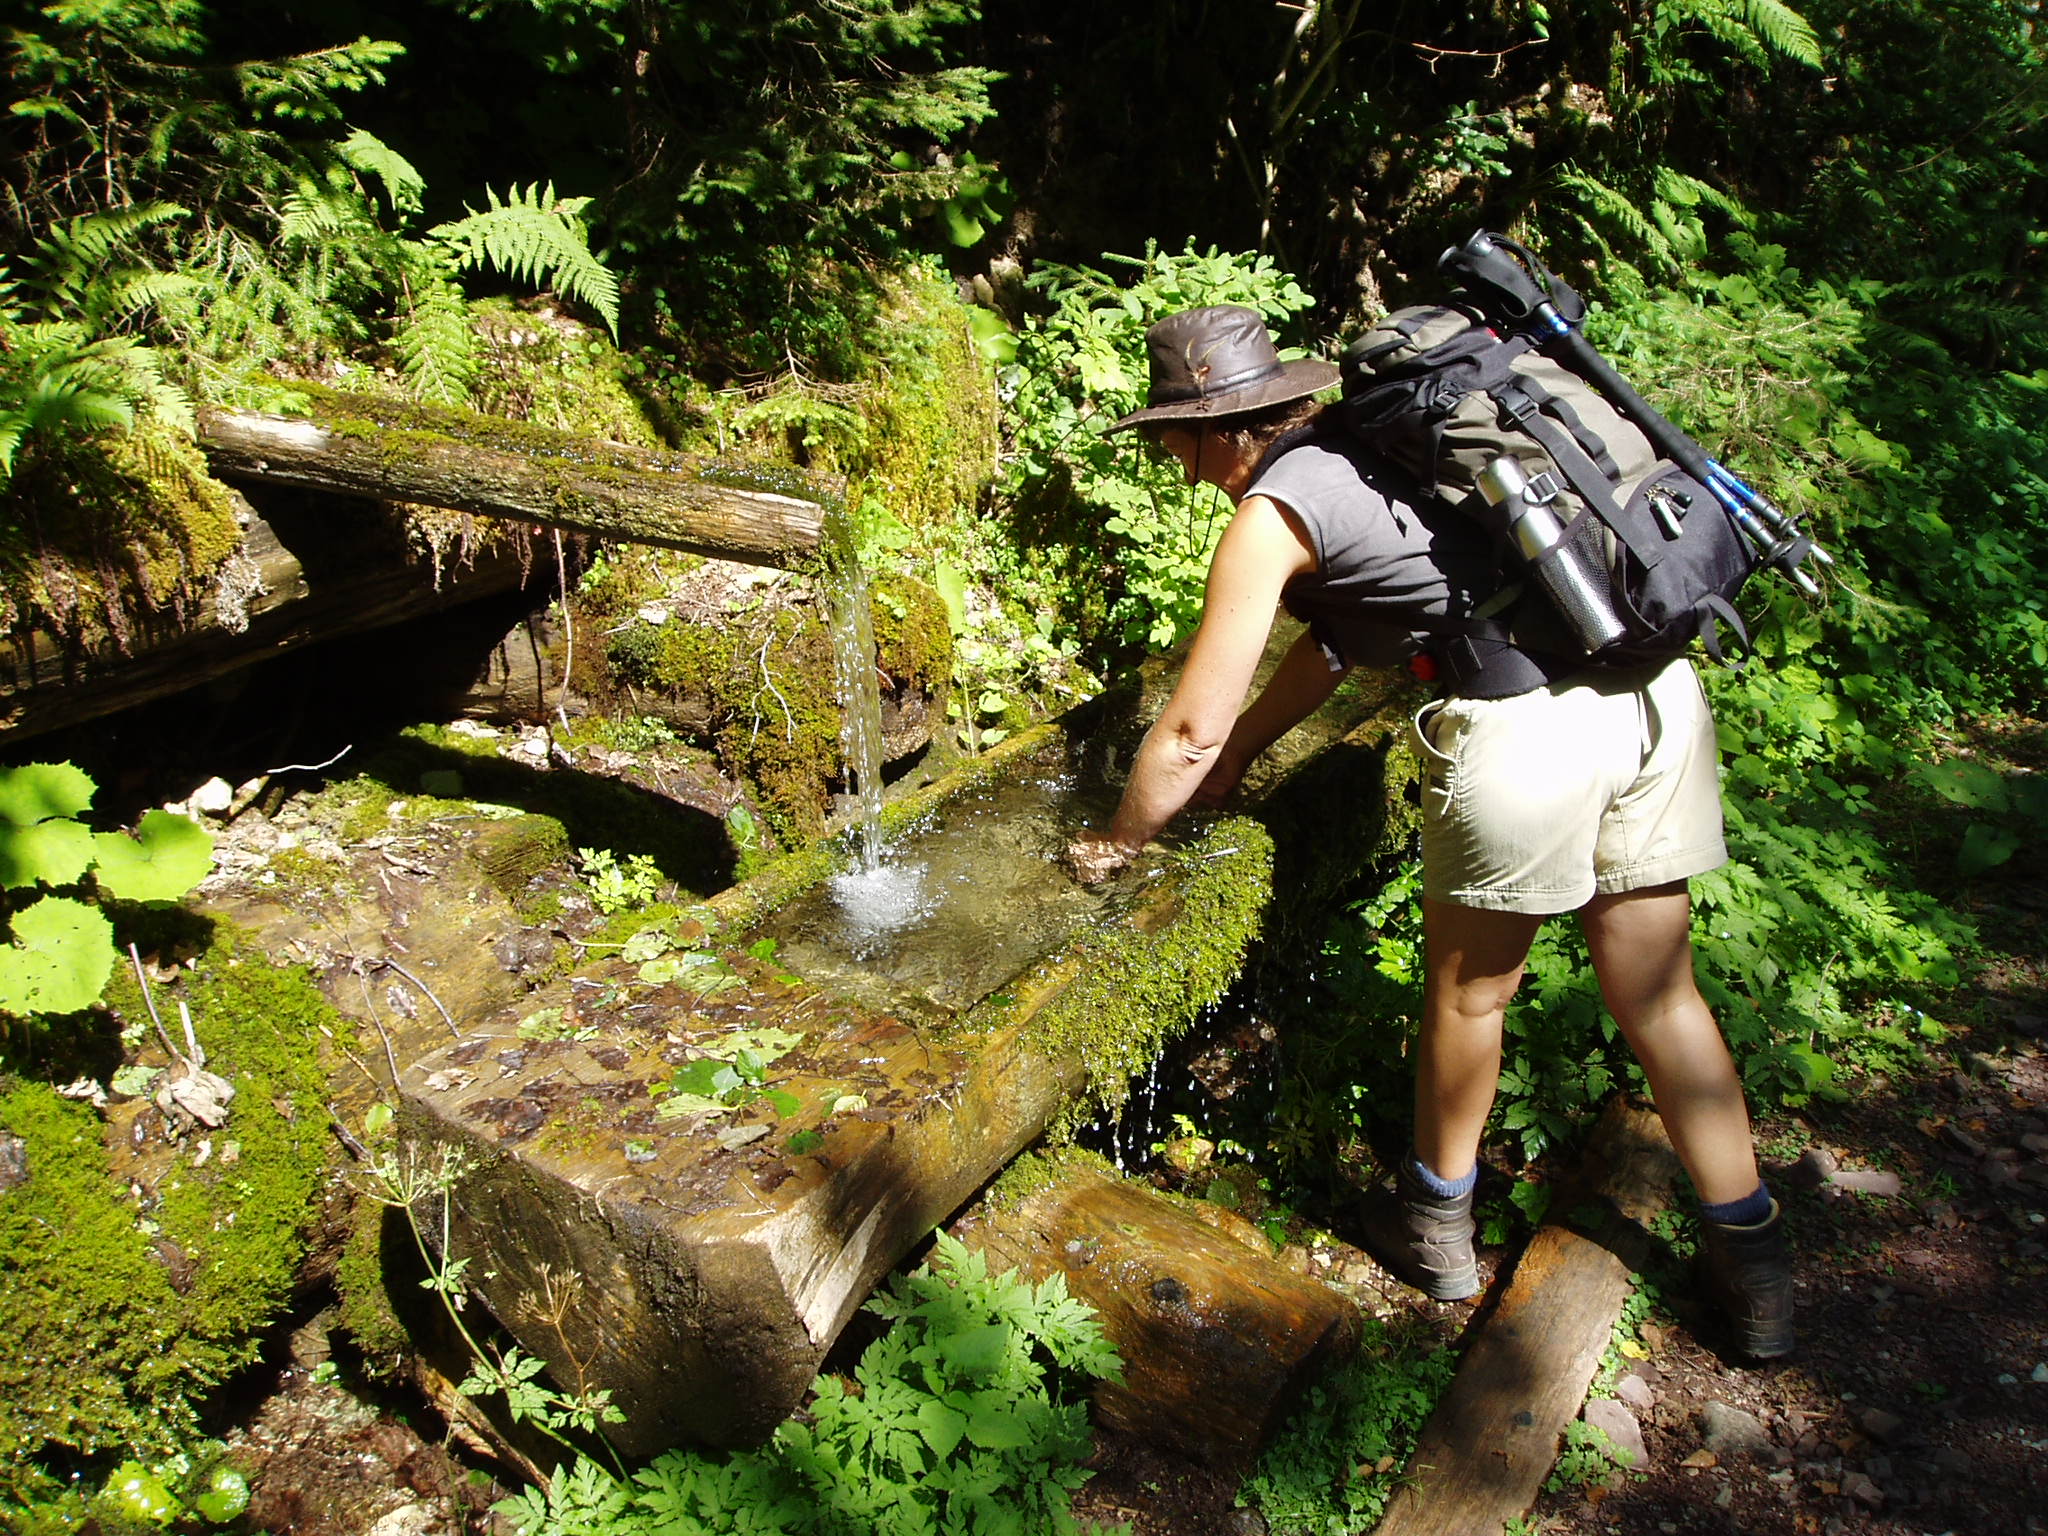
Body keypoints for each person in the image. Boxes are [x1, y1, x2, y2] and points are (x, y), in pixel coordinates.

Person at [1063, 304, 1794, 1358]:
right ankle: (1754, 1264)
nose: (1181, 472)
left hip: (1525, 734)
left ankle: (1433, 1226)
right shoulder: (1386, 449)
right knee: (1658, 992)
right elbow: (1326, 648)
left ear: (1223, 426)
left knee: (1469, 994)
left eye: (1176, 441)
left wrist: (1118, 846)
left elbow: (1181, 728)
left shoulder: (1270, 511)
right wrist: (1243, 756)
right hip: (1652, 699)